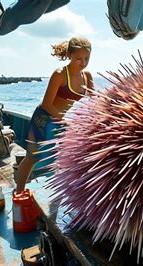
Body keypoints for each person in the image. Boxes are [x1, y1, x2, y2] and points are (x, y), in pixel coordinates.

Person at [15, 36, 93, 193]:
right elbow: (46, 104)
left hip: (61, 121)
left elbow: (94, 102)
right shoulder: (59, 74)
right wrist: (66, 120)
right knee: (32, 157)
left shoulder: (87, 76)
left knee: (63, 158)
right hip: (43, 119)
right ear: (70, 55)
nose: (83, 63)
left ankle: (61, 193)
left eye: (86, 58)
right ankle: (19, 192)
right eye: (78, 58)